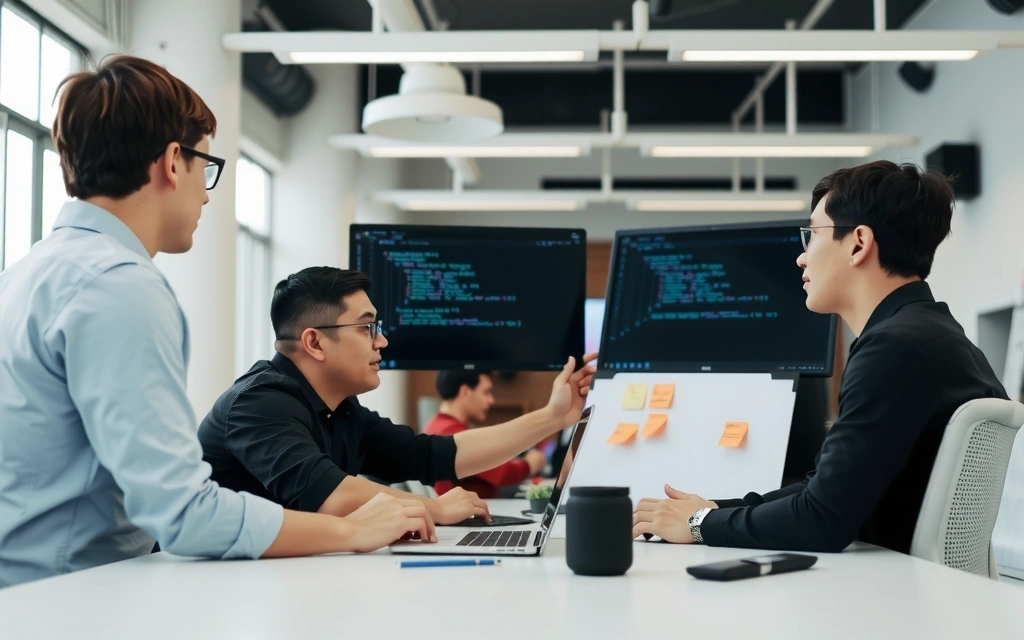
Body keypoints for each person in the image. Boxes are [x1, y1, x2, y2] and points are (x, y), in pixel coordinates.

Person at [0, 56, 436, 589]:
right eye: (204, 167)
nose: (206, 193)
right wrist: (352, 531)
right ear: (171, 162)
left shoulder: (29, 272)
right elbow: (184, 514)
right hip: (70, 596)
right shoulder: (117, 287)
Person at [632, 160, 1007, 554]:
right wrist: (710, 511)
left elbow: (821, 520)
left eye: (812, 236)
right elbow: (821, 491)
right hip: (916, 589)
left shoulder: (893, 350)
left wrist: (698, 525)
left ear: (859, 243)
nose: (802, 257)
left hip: (891, 598)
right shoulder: (936, 337)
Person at [198, 267, 595, 525]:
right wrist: (435, 509)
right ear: (315, 342)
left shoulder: (343, 411)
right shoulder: (259, 403)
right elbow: (329, 494)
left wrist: (554, 417)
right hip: (199, 589)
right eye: (367, 328)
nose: (382, 341)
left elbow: (438, 455)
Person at [424, 371, 548, 499]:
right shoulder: (450, 431)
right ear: (465, 391)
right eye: (486, 392)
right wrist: (530, 464)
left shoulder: (439, 424)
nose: (491, 400)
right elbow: (501, 473)